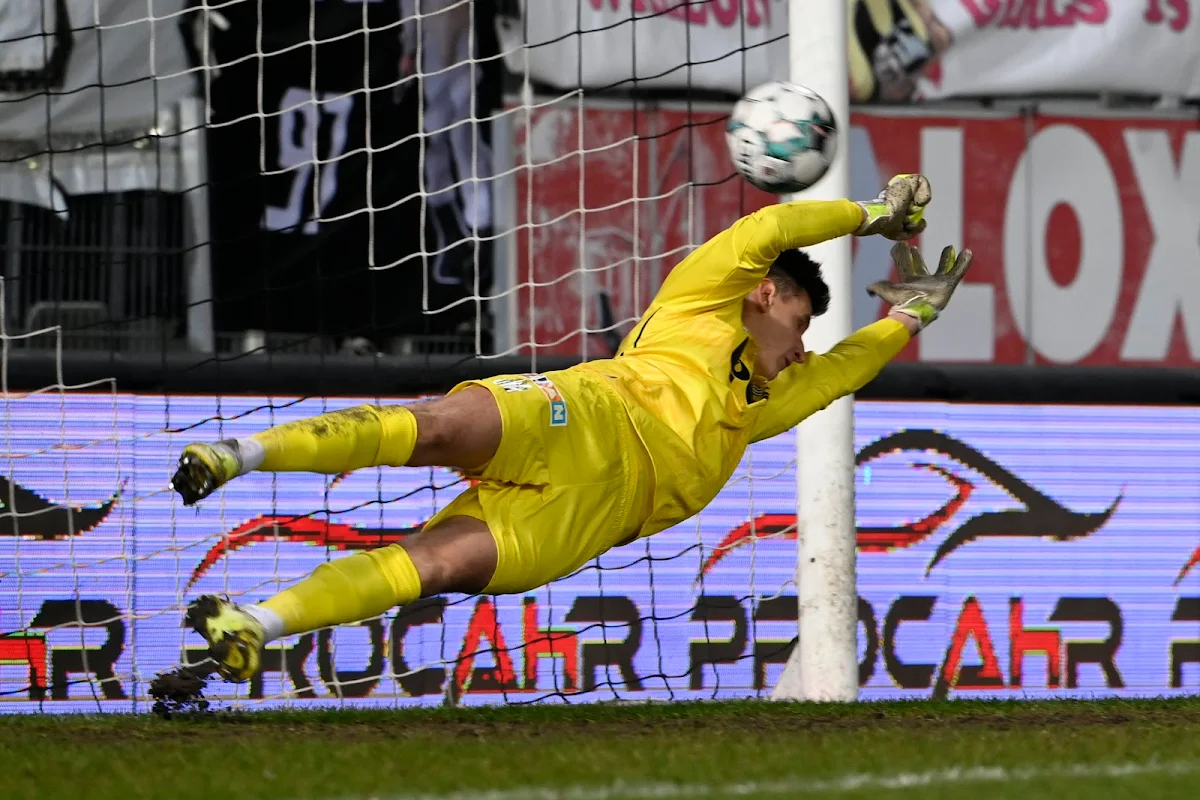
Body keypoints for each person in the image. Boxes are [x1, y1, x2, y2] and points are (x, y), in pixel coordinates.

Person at [173, 174, 973, 683]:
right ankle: (236, 454)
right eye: (799, 321)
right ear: (765, 294)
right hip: (585, 416)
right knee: (442, 426)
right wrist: (870, 214)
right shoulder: (701, 300)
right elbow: (764, 232)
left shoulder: (764, 402)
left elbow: (841, 372)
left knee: (439, 563)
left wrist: (907, 320)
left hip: (589, 518)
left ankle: (257, 625)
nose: (802, 347)